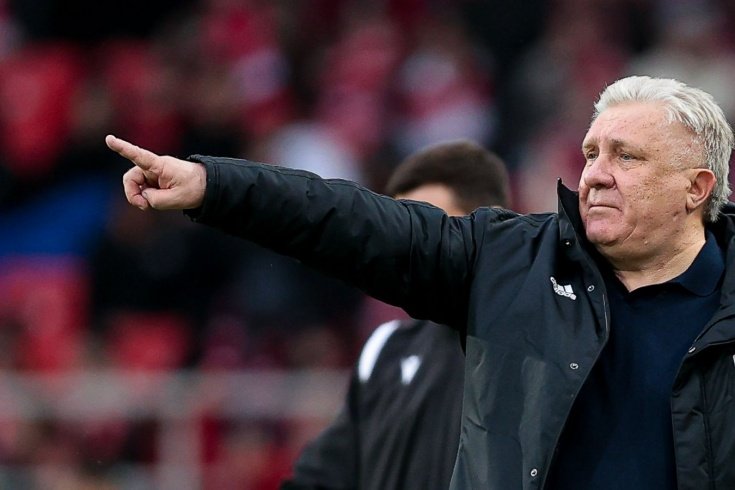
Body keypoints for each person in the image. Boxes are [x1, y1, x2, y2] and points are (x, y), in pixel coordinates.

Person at [107, 75, 735, 489]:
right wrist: (214, 186)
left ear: (696, 188)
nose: (594, 174)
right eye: (591, 152)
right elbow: (350, 221)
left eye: (626, 156)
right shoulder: (509, 263)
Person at [279, 140, 512, 490]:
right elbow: (322, 477)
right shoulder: (386, 349)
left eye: (430, 229)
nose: (410, 248)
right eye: (402, 232)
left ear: (489, 227)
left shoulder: (529, 348)